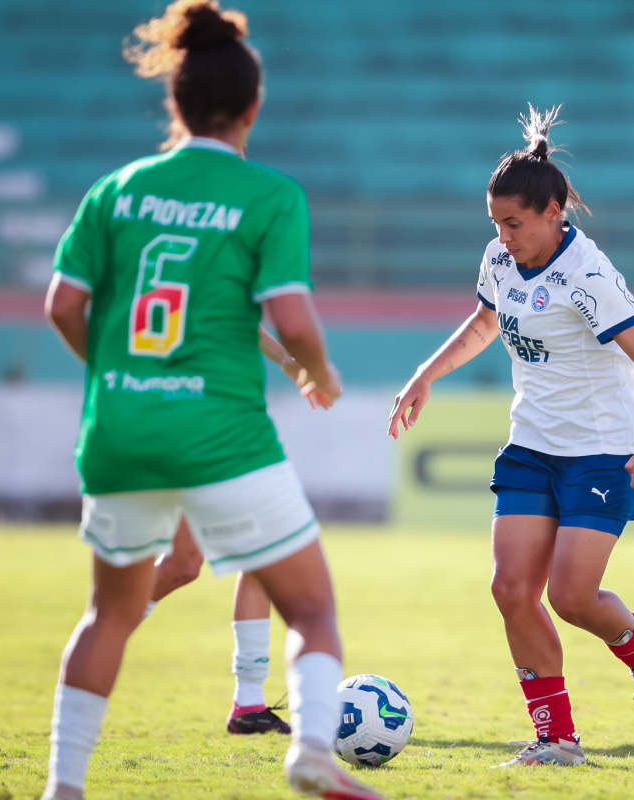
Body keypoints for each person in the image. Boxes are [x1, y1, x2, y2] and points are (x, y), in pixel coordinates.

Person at [40, 2, 382, 798]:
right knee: (313, 609)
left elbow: (63, 305)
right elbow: (291, 316)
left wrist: (117, 376)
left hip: (119, 429)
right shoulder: (269, 196)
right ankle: (312, 750)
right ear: (253, 108)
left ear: (175, 100)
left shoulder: (116, 191)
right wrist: (319, 373)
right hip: (221, 433)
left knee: (107, 615)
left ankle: (63, 785)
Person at [388, 105, 634, 767]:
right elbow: (484, 323)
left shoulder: (589, 276)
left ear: (552, 212)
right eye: (496, 224)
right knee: (510, 590)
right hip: (531, 445)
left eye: (514, 224)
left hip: (602, 451)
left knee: (571, 598)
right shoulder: (501, 257)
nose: (503, 236)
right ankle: (557, 738)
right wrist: (425, 375)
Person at [145, 327, 334, 738]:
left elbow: (239, 318)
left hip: (213, 424)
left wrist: (288, 362)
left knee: (214, 560)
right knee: (192, 563)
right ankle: (102, 628)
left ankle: (248, 703)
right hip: (192, 425)